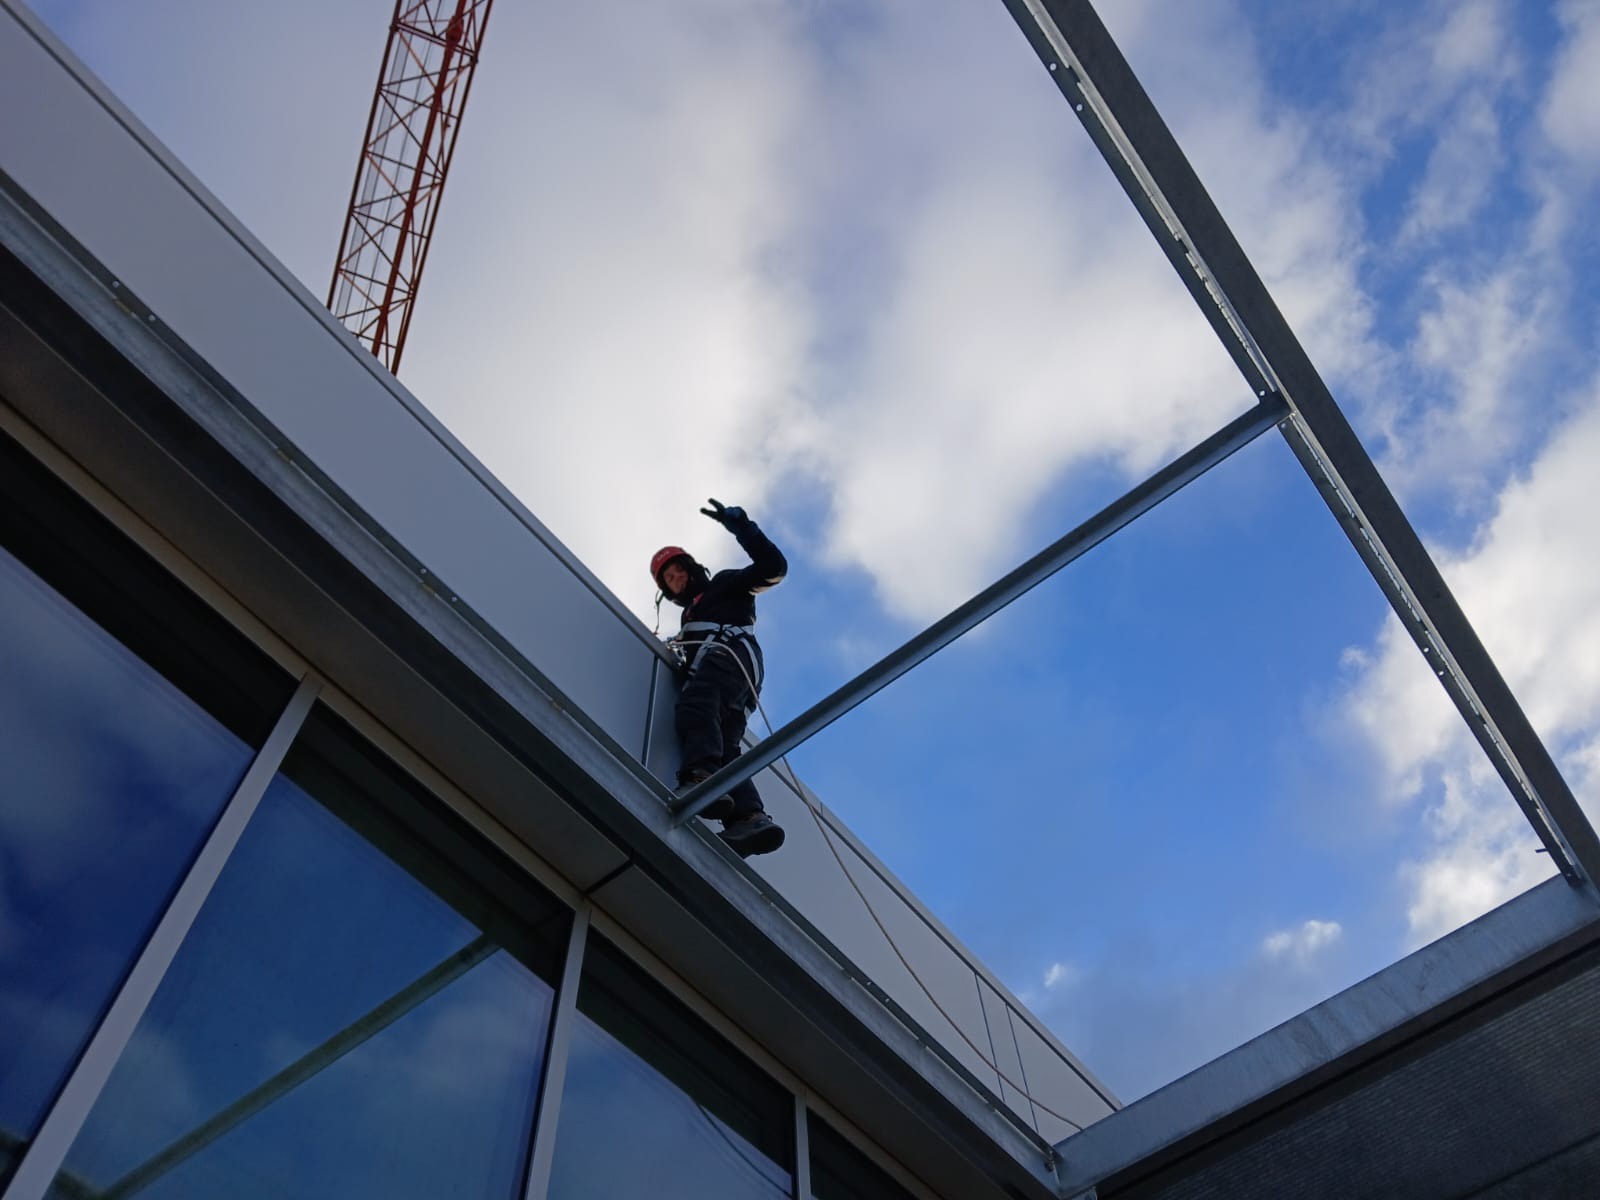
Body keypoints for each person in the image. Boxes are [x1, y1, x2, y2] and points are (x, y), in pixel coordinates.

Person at [651, 499, 787, 857]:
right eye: (669, 580)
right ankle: (750, 818)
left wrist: (744, 529)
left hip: (732, 657)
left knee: (695, 705)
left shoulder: (725, 584)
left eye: (678, 571)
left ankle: (701, 777)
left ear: (692, 568)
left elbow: (773, 568)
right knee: (726, 747)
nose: (677, 580)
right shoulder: (689, 621)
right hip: (733, 676)